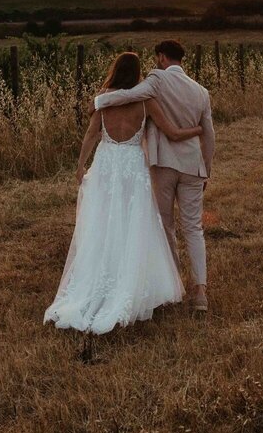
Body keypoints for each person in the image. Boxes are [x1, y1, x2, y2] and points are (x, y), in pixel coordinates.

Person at [44, 51, 203, 335]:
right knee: (134, 223)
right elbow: (171, 132)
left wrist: (80, 166)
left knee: (103, 222)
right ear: (138, 73)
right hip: (132, 165)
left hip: (106, 164)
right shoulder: (145, 101)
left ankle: (98, 283)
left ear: (115, 70)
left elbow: (91, 135)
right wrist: (198, 128)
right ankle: (130, 282)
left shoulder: (104, 98)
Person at [92, 40, 216, 312]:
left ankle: (174, 285)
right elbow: (209, 135)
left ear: (161, 57)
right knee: (194, 228)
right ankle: (200, 292)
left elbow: (129, 95)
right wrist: (206, 169)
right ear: (181, 60)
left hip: (163, 164)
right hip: (193, 165)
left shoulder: (156, 79)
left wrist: (99, 101)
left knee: (165, 226)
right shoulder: (202, 92)